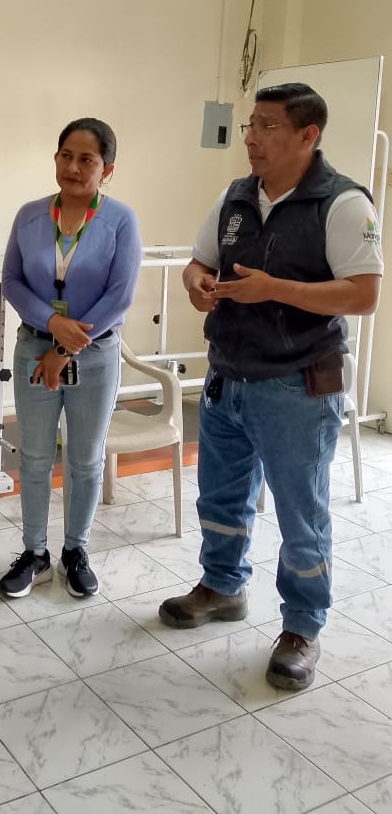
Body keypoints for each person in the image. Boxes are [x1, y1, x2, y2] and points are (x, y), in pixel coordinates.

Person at [159, 83, 383, 690]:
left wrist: (274, 289)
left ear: (308, 135)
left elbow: (364, 294)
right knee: (220, 498)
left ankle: (303, 627)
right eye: (250, 124)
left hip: (298, 384)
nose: (252, 138)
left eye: (267, 126)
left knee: (300, 513)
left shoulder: (343, 203)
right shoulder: (236, 196)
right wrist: (195, 283)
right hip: (227, 376)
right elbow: (199, 260)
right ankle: (222, 586)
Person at [0, 118, 142, 599]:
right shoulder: (30, 216)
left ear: (107, 169)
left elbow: (119, 296)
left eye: (87, 160)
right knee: (36, 456)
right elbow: (13, 280)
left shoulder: (121, 221)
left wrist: (63, 348)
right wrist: (50, 323)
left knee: (85, 458)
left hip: (94, 354)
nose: (73, 168)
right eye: (65, 156)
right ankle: (34, 553)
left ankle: (75, 550)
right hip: (34, 347)